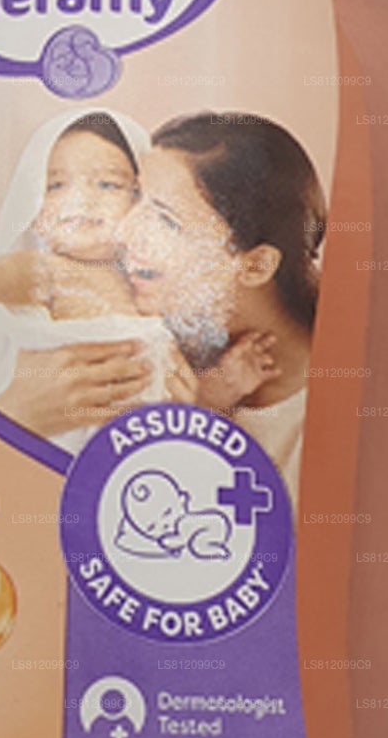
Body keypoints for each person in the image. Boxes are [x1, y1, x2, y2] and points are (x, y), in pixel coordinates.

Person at [0, 109, 182, 449]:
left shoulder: (155, 280)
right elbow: (5, 275)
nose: (82, 199)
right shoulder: (51, 272)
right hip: (74, 434)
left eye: (108, 184)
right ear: (32, 208)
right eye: (56, 185)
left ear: (141, 199)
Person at [116, 112, 324, 491]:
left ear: (256, 265)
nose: (125, 232)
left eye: (166, 220)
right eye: (135, 199)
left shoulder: (338, 412)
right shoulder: (144, 342)